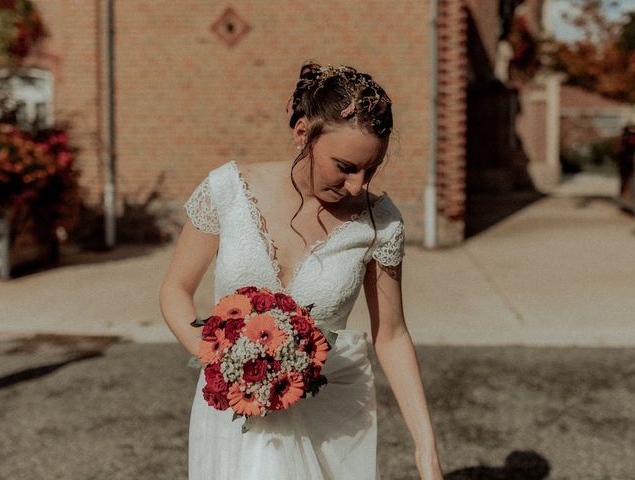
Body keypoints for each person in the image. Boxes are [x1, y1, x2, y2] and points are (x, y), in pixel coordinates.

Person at [159, 62, 444, 480]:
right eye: (345, 166)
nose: (357, 186)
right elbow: (175, 290)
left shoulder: (381, 222)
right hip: (234, 403)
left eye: (372, 169)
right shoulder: (228, 191)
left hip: (329, 412)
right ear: (302, 134)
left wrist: (427, 452)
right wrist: (224, 364)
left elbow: (393, 334)